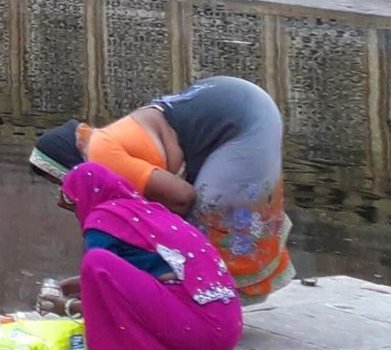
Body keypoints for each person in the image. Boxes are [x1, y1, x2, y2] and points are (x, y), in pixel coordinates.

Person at [31, 75, 293, 300]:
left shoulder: (100, 155)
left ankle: (212, 316)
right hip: (241, 103)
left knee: (211, 228)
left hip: (242, 119)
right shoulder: (107, 141)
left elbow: (182, 198)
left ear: (72, 168)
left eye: (61, 184)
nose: (63, 198)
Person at [55, 161, 243, 350]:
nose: (78, 215)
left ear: (86, 198)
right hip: (227, 330)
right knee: (100, 266)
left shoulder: (102, 219)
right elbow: (137, 277)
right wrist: (70, 286)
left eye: (74, 207)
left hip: (201, 334)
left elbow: (100, 285)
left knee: (96, 262)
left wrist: (66, 306)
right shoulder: (153, 214)